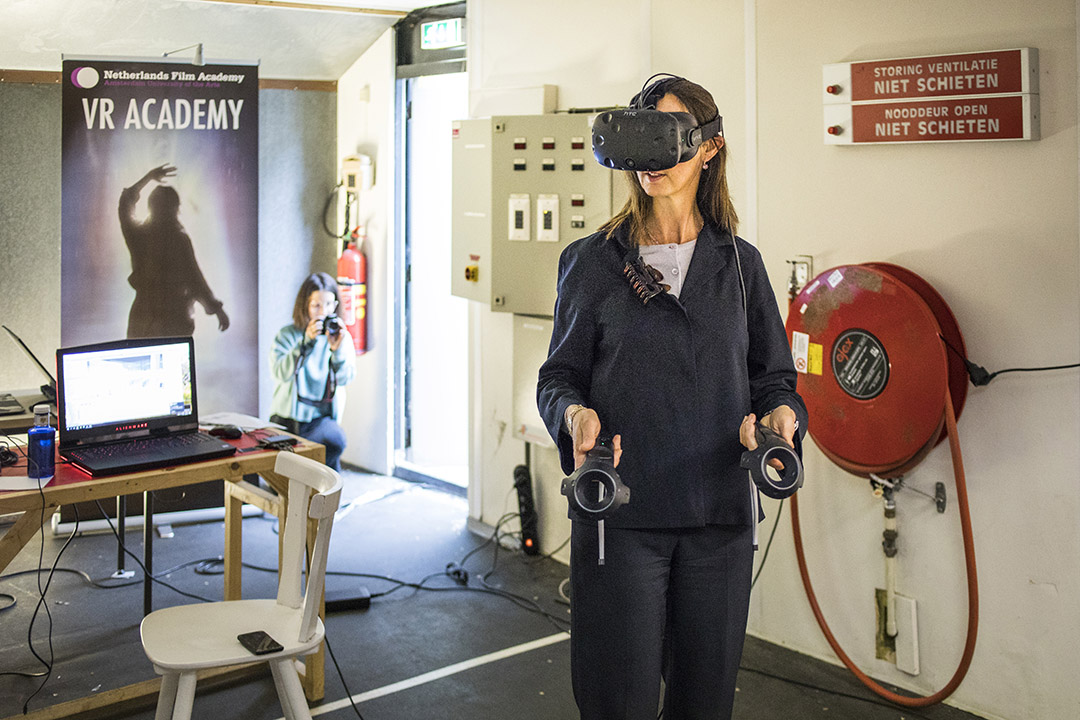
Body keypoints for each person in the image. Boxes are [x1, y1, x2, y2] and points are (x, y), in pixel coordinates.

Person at [536, 75, 808, 720]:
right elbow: (558, 379)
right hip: (620, 520)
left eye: (671, 137)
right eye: (642, 136)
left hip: (718, 520)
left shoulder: (740, 265)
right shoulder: (594, 261)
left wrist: (781, 418)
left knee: (704, 702)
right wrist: (573, 417)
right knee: (617, 701)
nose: (653, 160)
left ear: (708, 148)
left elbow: (775, 379)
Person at [119, 164, 230, 338]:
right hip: (175, 320)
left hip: (144, 320)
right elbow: (194, 278)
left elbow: (125, 204)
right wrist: (216, 310)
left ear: (151, 207)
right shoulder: (178, 239)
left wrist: (148, 177)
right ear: (175, 208)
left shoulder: (139, 236)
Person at [270, 272, 356, 471]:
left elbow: (345, 378)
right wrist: (305, 344)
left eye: (328, 305)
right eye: (316, 305)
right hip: (288, 419)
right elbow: (280, 373)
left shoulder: (341, 339)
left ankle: (326, 495)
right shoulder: (288, 336)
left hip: (321, 419)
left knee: (334, 441)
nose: (322, 312)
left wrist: (338, 351)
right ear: (305, 305)